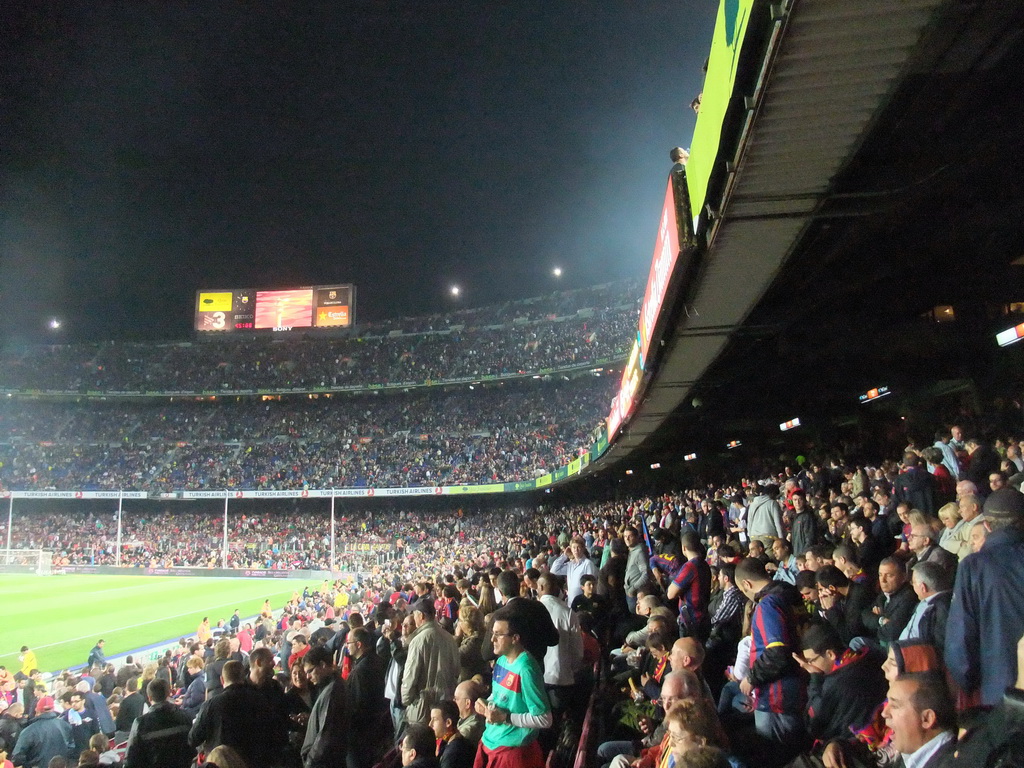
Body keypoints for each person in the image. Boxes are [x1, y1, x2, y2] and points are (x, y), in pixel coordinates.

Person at [945, 488, 1024, 705]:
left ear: (987, 525)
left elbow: (960, 642)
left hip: (1000, 691)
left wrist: (970, 685)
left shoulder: (974, 567)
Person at [734, 558, 806, 746]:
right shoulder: (788, 596)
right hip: (794, 688)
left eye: (743, 591)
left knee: (776, 752)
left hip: (777, 697)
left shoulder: (768, 605)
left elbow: (777, 652)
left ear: (746, 584)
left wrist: (751, 677)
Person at [475, 610, 552, 768]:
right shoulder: (501, 661)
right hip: (491, 740)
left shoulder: (526, 669)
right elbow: (500, 697)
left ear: (515, 638)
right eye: (492, 633)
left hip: (513, 752)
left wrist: (506, 718)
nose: (492, 639)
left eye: (498, 634)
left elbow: (545, 719)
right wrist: (486, 704)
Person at [792, 624, 887, 743]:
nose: (808, 666)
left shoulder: (835, 683)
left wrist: (815, 678)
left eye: (811, 661)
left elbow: (813, 726)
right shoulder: (864, 654)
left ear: (830, 654)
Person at [188, 660, 280, 768]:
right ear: (243, 677)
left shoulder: (211, 705)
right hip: (257, 762)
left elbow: (193, 739)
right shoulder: (260, 699)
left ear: (222, 680)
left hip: (222, 764)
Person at [401, 599, 461, 727]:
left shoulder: (418, 641)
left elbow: (410, 676)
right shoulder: (449, 638)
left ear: (421, 616)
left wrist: (406, 700)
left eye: (415, 614)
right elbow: (457, 670)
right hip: (445, 706)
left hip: (423, 708)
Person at [881, 672, 956, 767]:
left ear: (927, 719)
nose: (884, 713)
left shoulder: (957, 762)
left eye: (895, 706)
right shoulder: (907, 757)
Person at [345, 627, 392, 768]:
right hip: (378, 728)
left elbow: (358, 705)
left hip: (362, 735)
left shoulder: (359, 672)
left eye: (349, 643)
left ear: (358, 644)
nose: (347, 646)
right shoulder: (378, 660)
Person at [123, 679, 193, 768]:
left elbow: (131, 759)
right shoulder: (185, 717)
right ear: (169, 693)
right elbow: (192, 748)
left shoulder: (140, 723)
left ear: (149, 698)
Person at [301, 645, 349, 768]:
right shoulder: (331, 687)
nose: (308, 677)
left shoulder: (332, 691)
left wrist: (310, 762)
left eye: (310, 671)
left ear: (322, 665)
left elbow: (326, 735)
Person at [861, 557, 918, 646]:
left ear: (903, 577)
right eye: (880, 575)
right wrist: (881, 620)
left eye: (889, 575)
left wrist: (874, 623)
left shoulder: (908, 597)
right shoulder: (884, 594)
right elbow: (864, 615)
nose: (883, 580)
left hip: (894, 647)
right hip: (881, 640)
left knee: (857, 643)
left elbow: (891, 632)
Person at [11, 698, 72, 768]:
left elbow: (17, 757)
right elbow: (71, 748)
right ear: (53, 709)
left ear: (37, 710)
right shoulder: (65, 726)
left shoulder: (29, 731)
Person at [549, 536, 599, 607]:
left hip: (583, 603)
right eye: (574, 547)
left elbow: (591, 585)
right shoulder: (570, 564)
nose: (576, 550)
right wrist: (564, 555)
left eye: (578, 547)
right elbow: (554, 570)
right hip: (571, 603)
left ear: (583, 548)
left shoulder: (587, 564)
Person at [429, 701, 474, 768]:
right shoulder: (450, 742)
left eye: (435, 719)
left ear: (448, 722)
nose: (430, 724)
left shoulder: (454, 751)